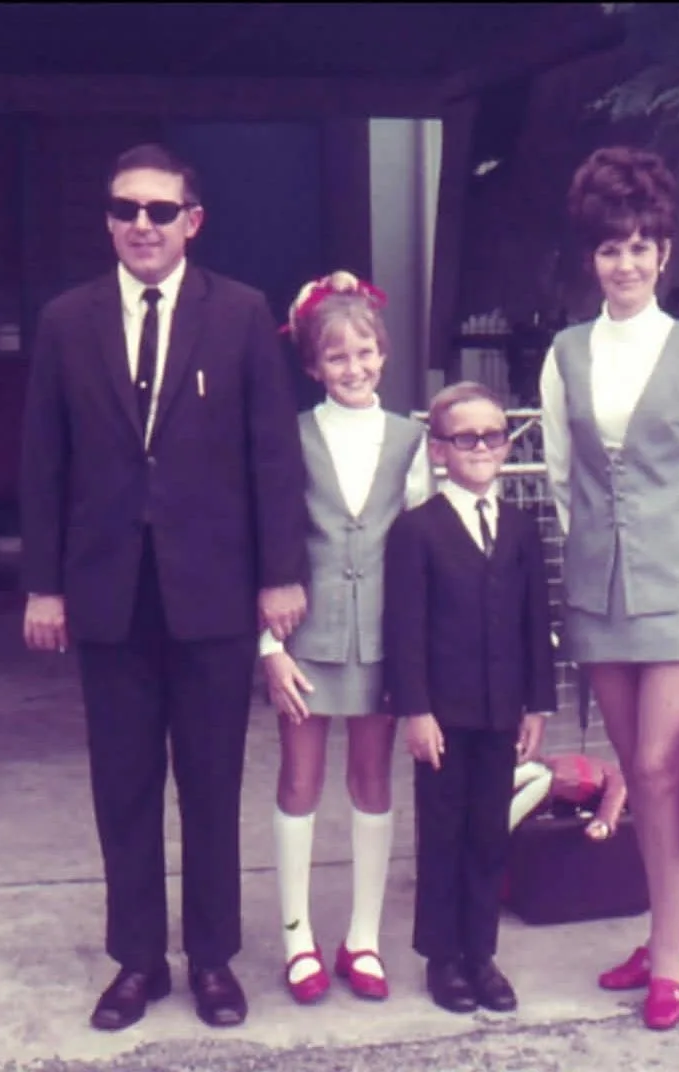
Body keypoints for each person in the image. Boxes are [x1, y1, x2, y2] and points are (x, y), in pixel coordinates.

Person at [20, 143, 309, 1031]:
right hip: (109, 593)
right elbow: (44, 460)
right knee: (125, 783)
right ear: (107, 219)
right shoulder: (67, 319)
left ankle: (214, 959)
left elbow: (271, 455)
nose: (140, 225)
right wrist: (42, 585)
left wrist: (279, 574)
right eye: (124, 208)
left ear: (193, 219)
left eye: (158, 210)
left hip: (215, 593)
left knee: (212, 781)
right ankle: (137, 962)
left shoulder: (241, 314)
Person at [539, 146, 679, 1031]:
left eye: (640, 245)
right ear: (591, 257)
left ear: (663, 252)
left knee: (651, 765)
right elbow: (564, 485)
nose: (625, 263)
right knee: (636, 782)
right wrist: (594, 559)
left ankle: (669, 956)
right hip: (601, 598)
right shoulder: (564, 356)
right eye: (609, 248)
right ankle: (668, 925)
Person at [260, 270, 432, 1005]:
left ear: (383, 353)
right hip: (305, 641)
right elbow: (265, 546)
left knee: (371, 780)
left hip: (385, 641)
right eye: (335, 357)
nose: (353, 367)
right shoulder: (290, 438)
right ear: (311, 366)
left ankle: (361, 937)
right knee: (299, 781)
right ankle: (296, 935)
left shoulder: (410, 440)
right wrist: (268, 650)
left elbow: (425, 550)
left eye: (364, 352)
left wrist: (420, 657)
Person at [383, 381, 557, 1015]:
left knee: (489, 831)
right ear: (438, 451)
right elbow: (403, 629)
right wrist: (416, 710)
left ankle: (481, 953)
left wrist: (536, 704)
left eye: (492, 435)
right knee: (444, 829)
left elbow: (536, 619)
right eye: (465, 438)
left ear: (507, 446)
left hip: (501, 709)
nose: (480, 446)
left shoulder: (518, 527)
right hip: (443, 715)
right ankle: (442, 957)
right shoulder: (416, 531)